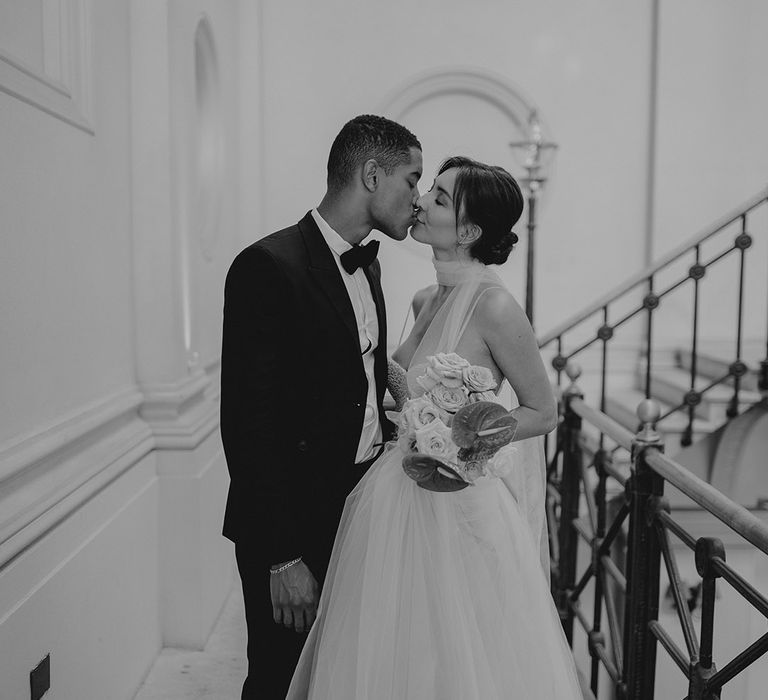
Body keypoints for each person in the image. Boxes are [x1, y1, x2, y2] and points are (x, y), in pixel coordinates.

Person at [287, 156, 583, 699]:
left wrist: (466, 437)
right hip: (396, 496)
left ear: (469, 230)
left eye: (441, 198)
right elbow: (392, 380)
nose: (421, 200)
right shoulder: (427, 297)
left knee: (460, 657)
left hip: (461, 509)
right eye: (428, 190)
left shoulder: (495, 307)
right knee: (392, 650)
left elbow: (543, 410)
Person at [220, 114, 423, 699]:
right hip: (291, 522)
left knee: (336, 676)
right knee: (280, 679)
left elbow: (355, 385)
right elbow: (247, 423)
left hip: (357, 508)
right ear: (370, 173)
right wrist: (283, 556)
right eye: (411, 180)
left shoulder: (369, 265)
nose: (416, 197)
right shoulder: (267, 266)